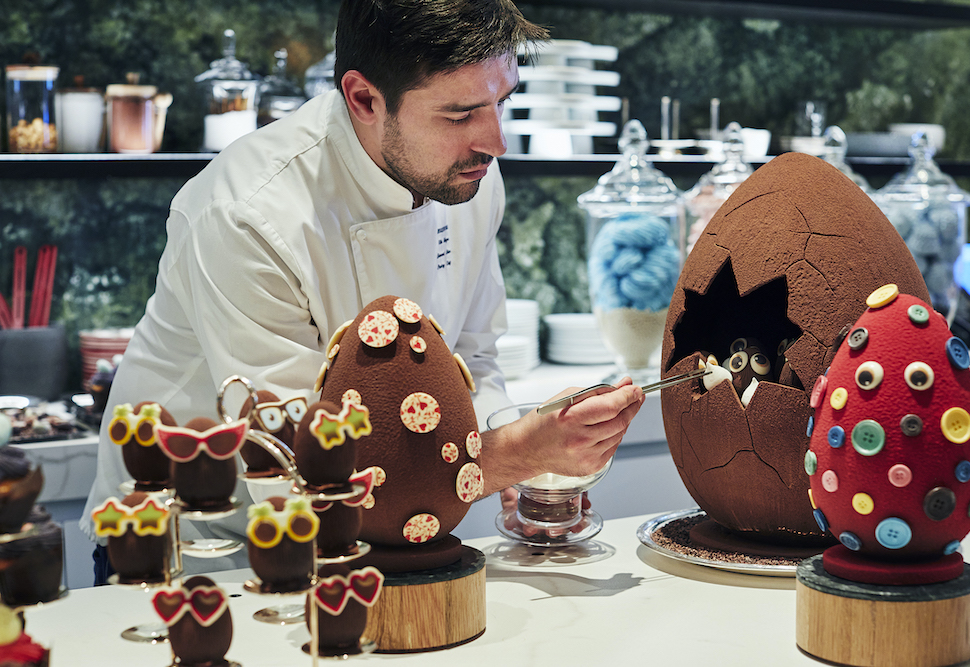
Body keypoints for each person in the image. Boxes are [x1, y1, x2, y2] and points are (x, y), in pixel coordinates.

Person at [81, 0, 645, 583]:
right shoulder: (247, 212)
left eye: (502, 102)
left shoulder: (468, 177)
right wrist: (512, 455)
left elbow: (471, 359)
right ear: (364, 99)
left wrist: (523, 478)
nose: (495, 141)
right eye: (460, 115)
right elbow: (301, 460)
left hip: (376, 540)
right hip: (203, 549)